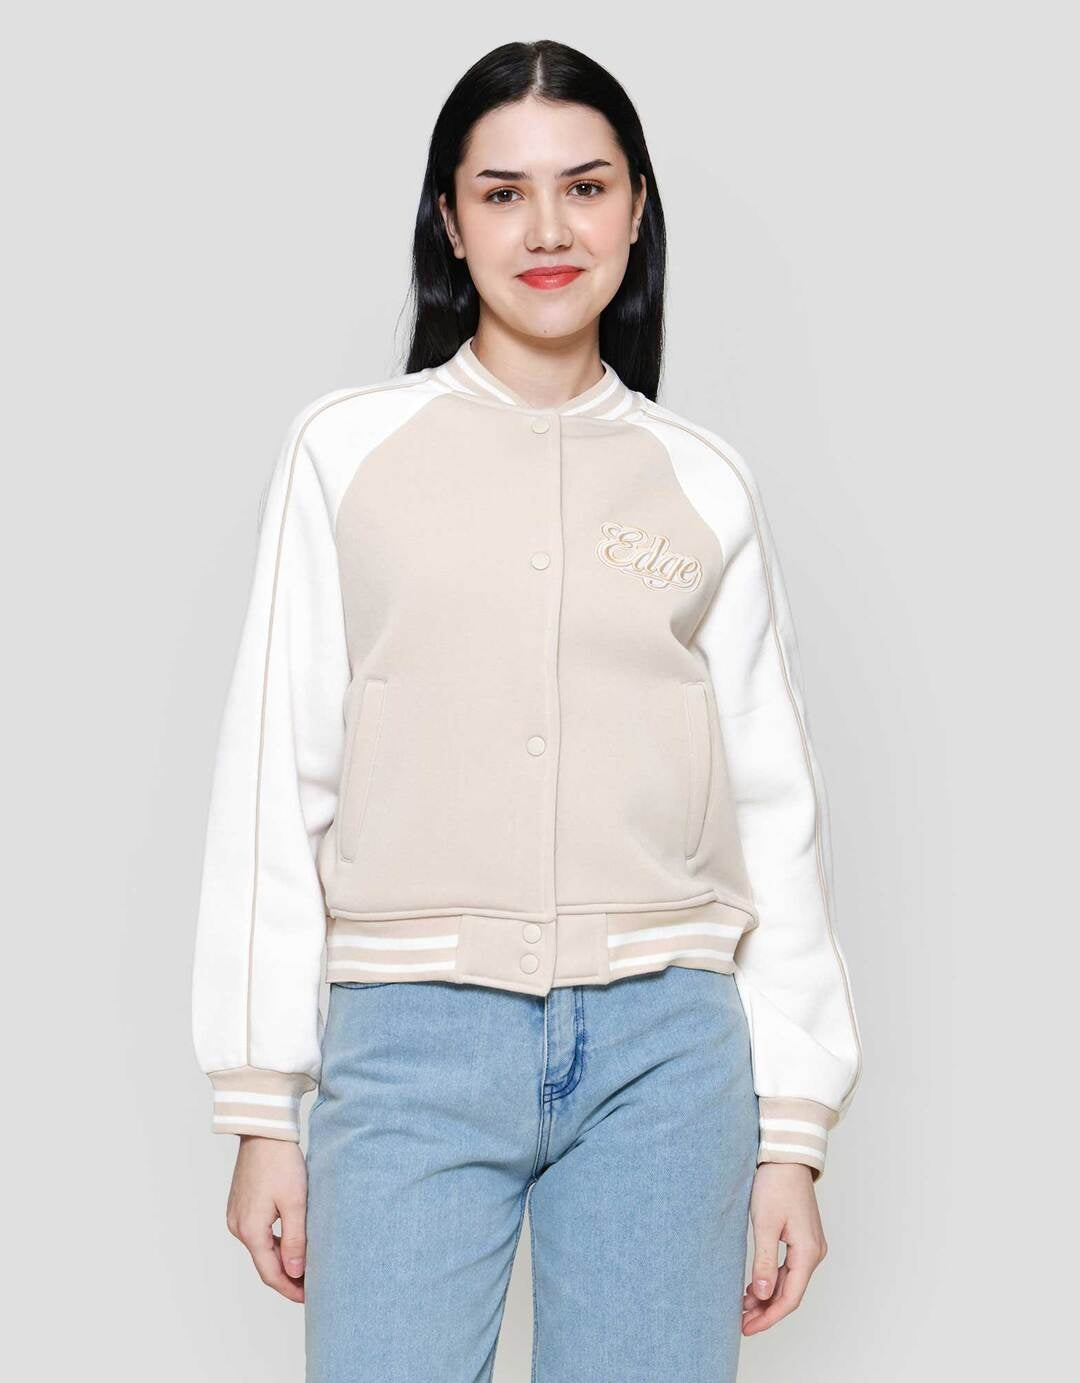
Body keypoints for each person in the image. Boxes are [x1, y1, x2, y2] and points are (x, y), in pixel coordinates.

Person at [190, 37, 863, 1383]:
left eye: (586, 187)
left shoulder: (704, 483)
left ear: (637, 208)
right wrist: (263, 1105)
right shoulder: (346, 454)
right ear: (450, 221)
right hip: (410, 1046)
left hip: (666, 1058)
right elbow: (278, 778)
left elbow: (773, 810)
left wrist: (792, 1133)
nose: (548, 230)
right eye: (502, 193)